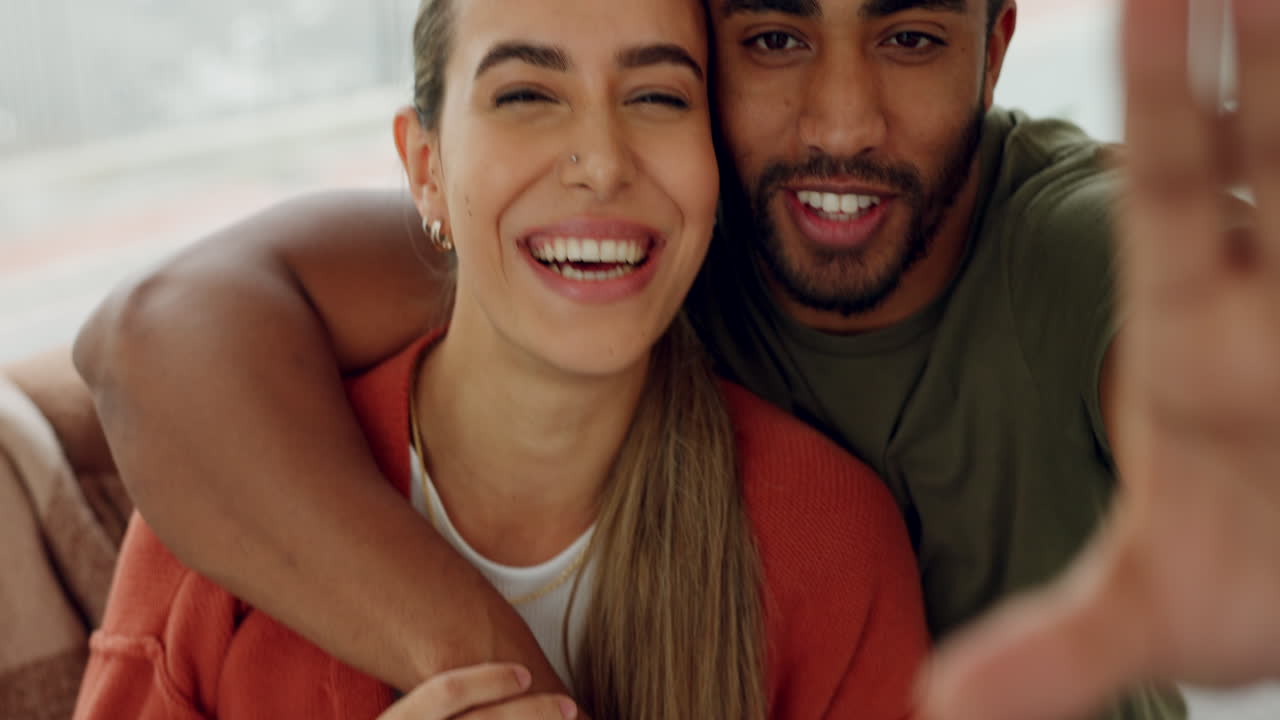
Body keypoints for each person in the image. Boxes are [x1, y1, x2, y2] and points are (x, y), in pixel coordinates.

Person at [71, 0, 1280, 718]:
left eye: (910, 34)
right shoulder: (618, 254)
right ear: (424, 161)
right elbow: (155, 331)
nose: (843, 120)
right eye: (772, 34)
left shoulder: (1076, 257)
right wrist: (492, 675)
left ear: (997, 44)